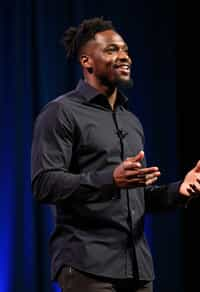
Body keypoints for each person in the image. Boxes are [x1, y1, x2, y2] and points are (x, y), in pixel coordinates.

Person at [31, 17, 200, 292]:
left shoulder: (131, 121)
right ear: (87, 61)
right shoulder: (60, 112)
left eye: (126, 50)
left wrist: (178, 191)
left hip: (138, 268)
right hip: (88, 265)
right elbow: (44, 184)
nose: (125, 57)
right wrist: (110, 179)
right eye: (111, 50)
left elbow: (136, 197)